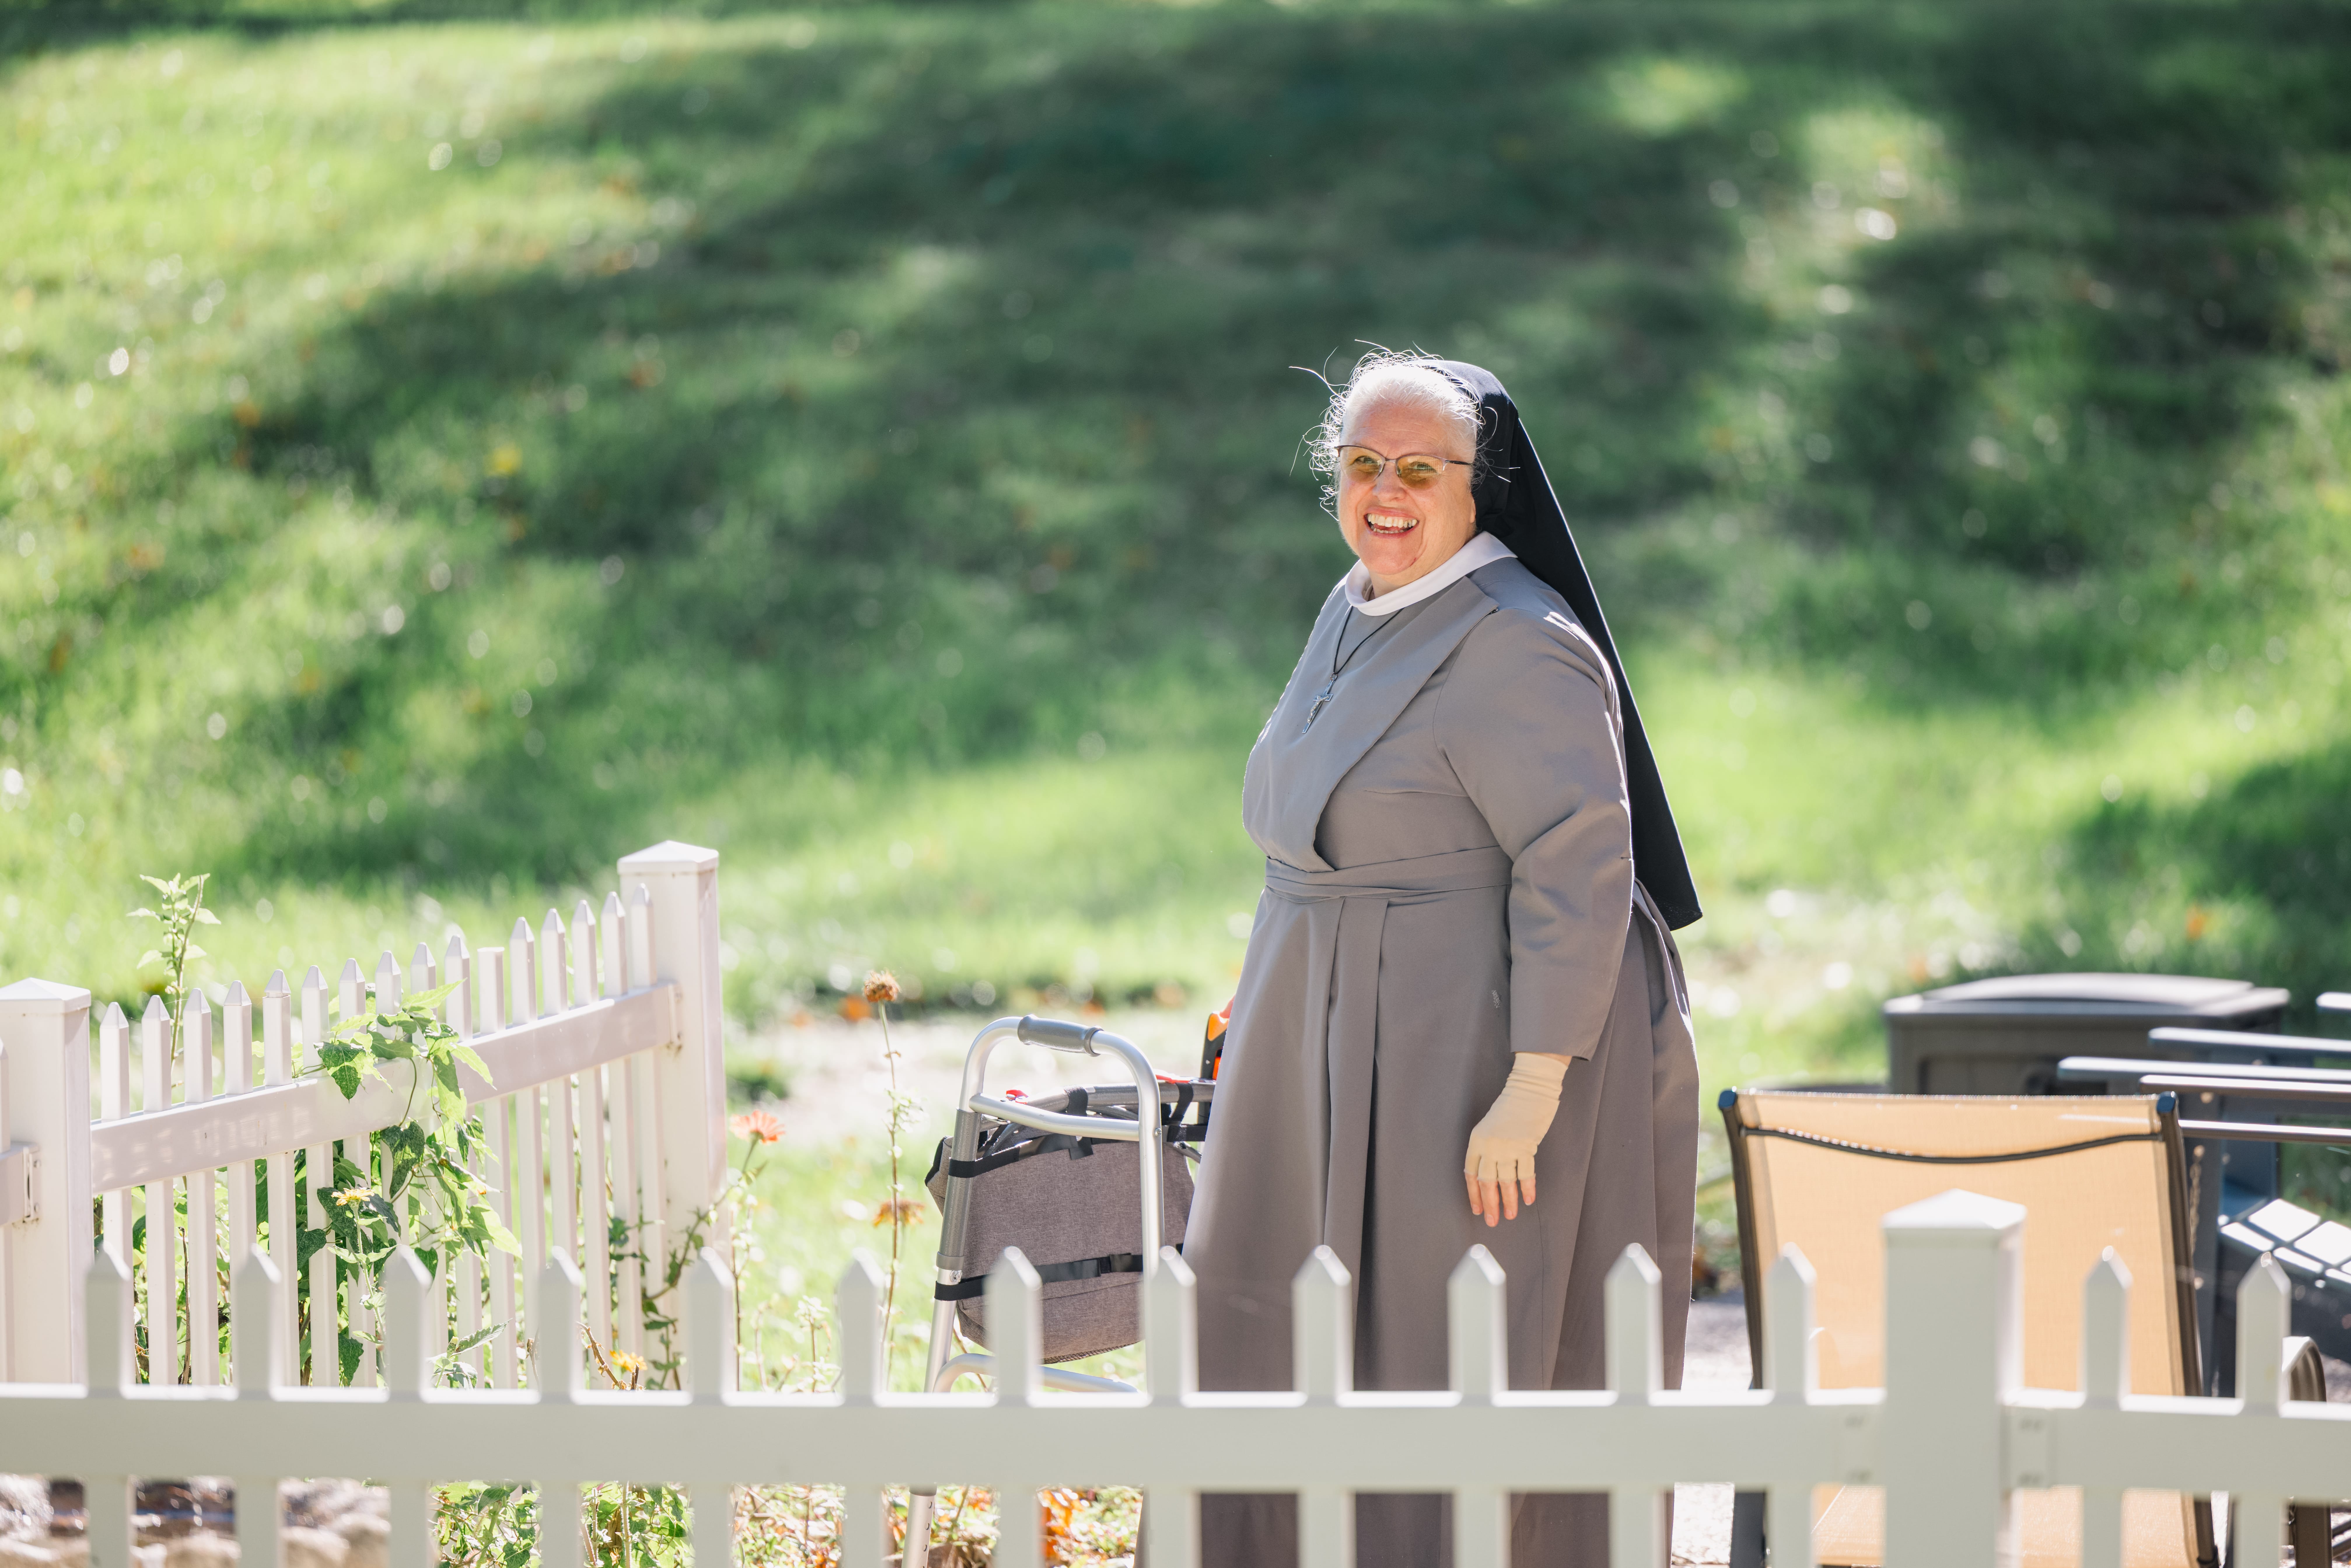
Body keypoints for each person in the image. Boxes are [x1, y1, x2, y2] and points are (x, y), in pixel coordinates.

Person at [1181, 352, 1703, 1567]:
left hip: (1467, 1048)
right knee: (1275, 1320)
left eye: (1420, 468)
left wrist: (1529, 1089)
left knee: (1443, 1339)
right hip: (1323, 1018)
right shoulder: (1355, 601)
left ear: (1484, 483)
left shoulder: (1520, 641)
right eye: (1361, 466)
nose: (1385, 494)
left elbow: (1576, 867)